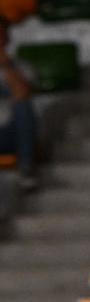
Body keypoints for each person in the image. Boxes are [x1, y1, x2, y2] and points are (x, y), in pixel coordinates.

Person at [0, 19, 38, 191]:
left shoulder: (22, 66)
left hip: (7, 133)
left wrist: (5, 64)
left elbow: (22, 94)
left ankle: (26, 170)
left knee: (24, 108)